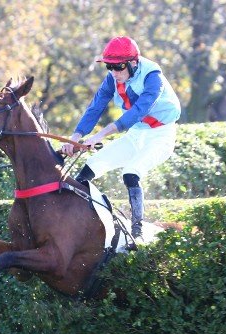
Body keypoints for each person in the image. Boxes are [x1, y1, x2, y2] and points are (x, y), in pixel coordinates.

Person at [61, 36, 181, 242]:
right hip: (136, 134)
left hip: (161, 136)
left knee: (131, 172)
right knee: (89, 168)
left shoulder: (153, 77)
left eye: (118, 67)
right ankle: (78, 224)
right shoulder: (112, 79)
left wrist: (99, 135)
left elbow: (137, 112)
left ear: (134, 63)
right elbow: (95, 107)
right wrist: (75, 137)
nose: (114, 72)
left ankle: (138, 232)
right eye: (109, 67)